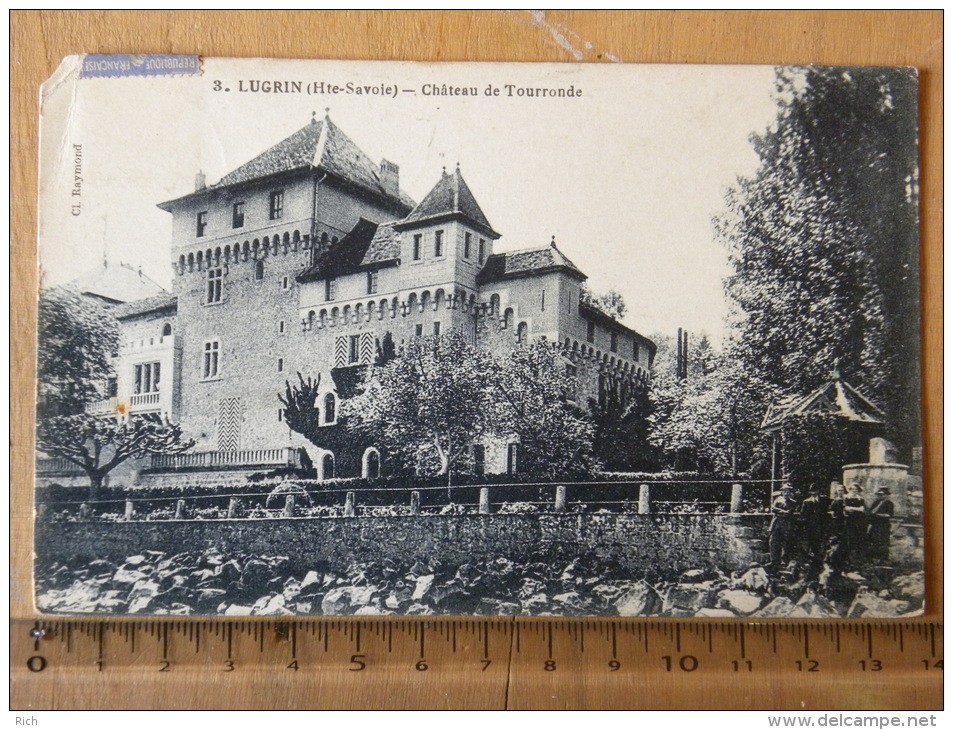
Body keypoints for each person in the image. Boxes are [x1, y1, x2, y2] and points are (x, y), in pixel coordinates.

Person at [799, 483, 832, 565]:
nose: (814, 494)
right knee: (812, 543)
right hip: (811, 527)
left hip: (822, 526)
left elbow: (830, 510)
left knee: (822, 543)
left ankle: (821, 560)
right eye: (812, 492)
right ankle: (814, 561)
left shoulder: (825, 500)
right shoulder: (806, 502)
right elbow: (803, 515)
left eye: (816, 492)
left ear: (819, 492)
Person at [768, 483, 798, 567]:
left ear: (790, 493)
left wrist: (780, 511)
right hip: (776, 523)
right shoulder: (777, 500)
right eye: (784, 491)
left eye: (788, 491)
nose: (786, 493)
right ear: (782, 492)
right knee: (773, 542)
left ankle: (784, 561)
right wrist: (783, 511)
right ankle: (774, 561)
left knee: (786, 543)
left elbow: (789, 513)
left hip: (786, 524)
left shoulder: (792, 502)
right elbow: (773, 509)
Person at [866, 487, 895, 564]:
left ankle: (882, 559)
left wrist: (877, 515)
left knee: (882, 541)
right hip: (875, 525)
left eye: (882, 494)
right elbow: (869, 511)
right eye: (879, 494)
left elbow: (888, 515)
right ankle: (872, 558)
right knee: (872, 540)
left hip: (883, 525)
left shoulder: (889, 504)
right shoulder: (876, 502)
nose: (880, 496)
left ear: (886, 495)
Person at [843, 483, 868, 567]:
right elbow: (846, 508)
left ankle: (857, 559)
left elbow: (862, 509)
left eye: (856, 489)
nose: (854, 491)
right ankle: (848, 558)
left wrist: (852, 508)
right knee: (849, 537)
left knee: (858, 537)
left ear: (858, 491)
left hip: (859, 520)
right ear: (849, 490)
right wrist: (856, 509)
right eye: (852, 489)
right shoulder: (846, 498)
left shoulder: (860, 499)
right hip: (849, 520)